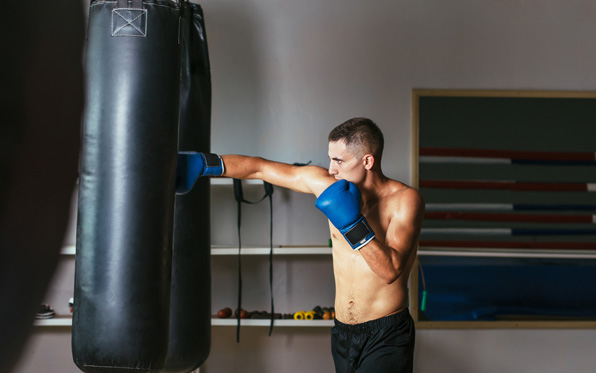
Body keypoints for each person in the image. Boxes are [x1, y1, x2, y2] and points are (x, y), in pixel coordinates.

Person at [176, 117, 425, 372]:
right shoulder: (327, 184)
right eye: (329, 158)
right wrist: (204, 164)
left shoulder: (405, 200)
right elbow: (259, 168)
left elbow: (390, 271)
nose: (331, 169)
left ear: (368, 161)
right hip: (342, 334)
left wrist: (352, 223)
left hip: (386, 334)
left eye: (338, 161)